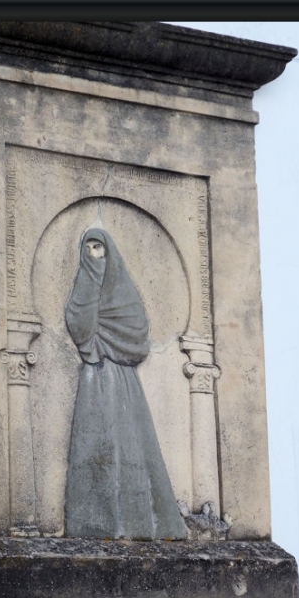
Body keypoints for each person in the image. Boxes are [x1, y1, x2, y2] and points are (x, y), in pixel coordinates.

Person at [64, 227, 187, 540]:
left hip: (125, 385)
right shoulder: (83, 289)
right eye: (89, 247)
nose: (95, 254)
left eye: (100, 248)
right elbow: (80, 329)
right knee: (95, 447)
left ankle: (138, 523)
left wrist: (110, 344)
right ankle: (93, 523)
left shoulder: (125, 295)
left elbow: (137, 337)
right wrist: (91, 282)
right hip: (94, 382)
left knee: (132, 449)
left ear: (110, 252)